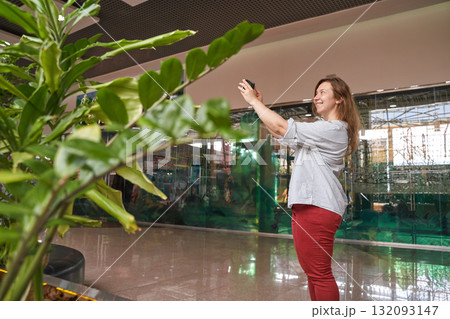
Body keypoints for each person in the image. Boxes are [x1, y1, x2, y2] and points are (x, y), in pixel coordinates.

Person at [238, 76, 361, 301]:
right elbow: (279, 132)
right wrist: (258, 107)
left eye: (323, 92)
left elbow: (282, 126)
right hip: (308, 208)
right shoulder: (320, 132)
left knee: (320, 274)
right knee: (314, 274)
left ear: (340, 99)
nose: (317, 96)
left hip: (318, 208)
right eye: (317, 92)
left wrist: (254, 102)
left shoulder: (334, 129)